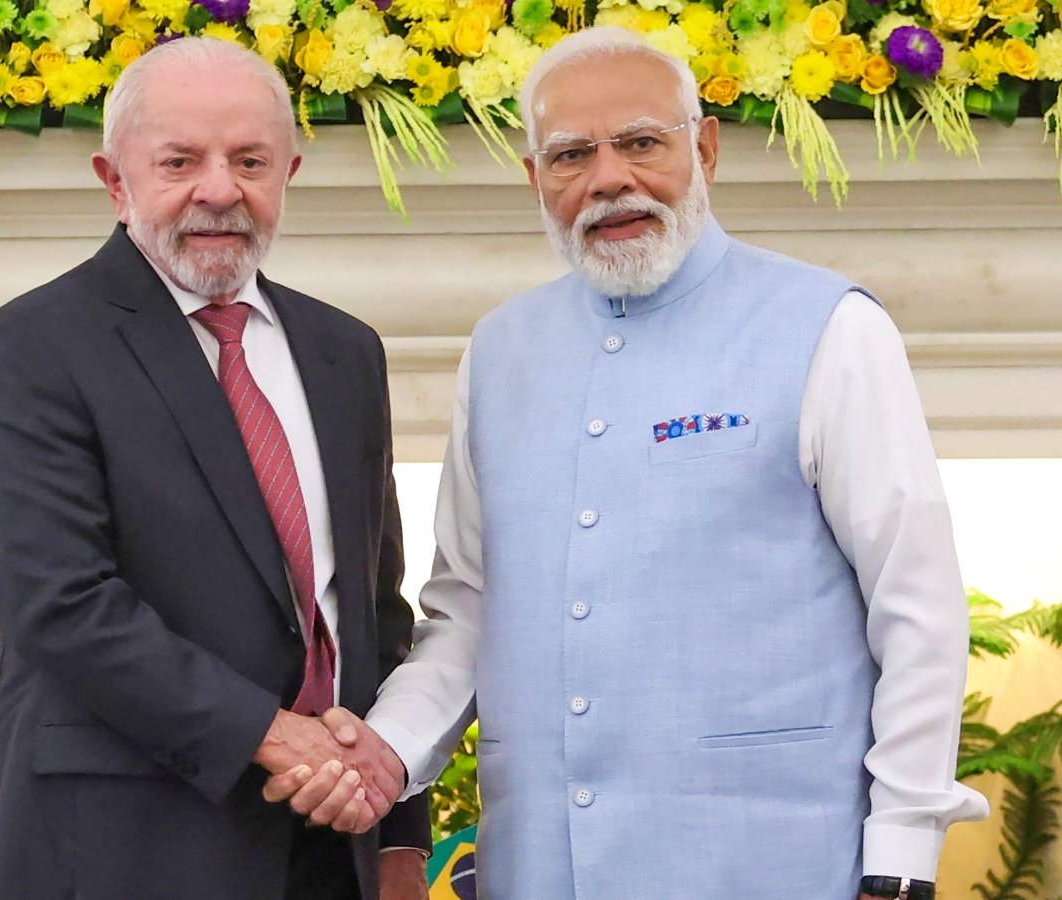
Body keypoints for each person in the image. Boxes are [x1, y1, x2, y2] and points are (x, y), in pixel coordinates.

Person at [276, 25, 992, 900]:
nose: (609, 177)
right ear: (535, 179)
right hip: (540, 866)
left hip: (778, 864)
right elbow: (467, 612)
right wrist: (386, 751)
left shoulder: (829, 327)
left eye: (642, 143)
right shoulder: (501, 351)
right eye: (572, 154)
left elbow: (915, 605)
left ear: (706, 147)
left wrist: (905, 844)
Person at [0, 36, 429, 900]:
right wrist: (275, 736)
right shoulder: (30, 347)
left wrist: (399, 834)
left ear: (289, 171)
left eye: (249, 160)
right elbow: (62, 604)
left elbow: (370, 605)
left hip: (329, 849)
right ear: (115, 180)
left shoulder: (343, 351)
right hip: (120, 846)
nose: (219, 189)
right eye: (180, 161)